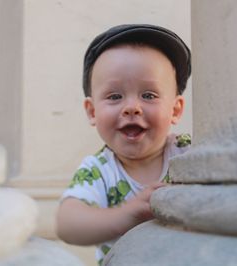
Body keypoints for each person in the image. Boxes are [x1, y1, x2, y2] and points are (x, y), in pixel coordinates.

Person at [55, 24, 191, 265]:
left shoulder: (188, 153)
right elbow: (67, 224)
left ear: (175, 109)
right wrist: (128, 215)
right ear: (92, 111)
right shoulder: (98, 171)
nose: (132, 107)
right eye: (115, 96)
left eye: (148, 95)